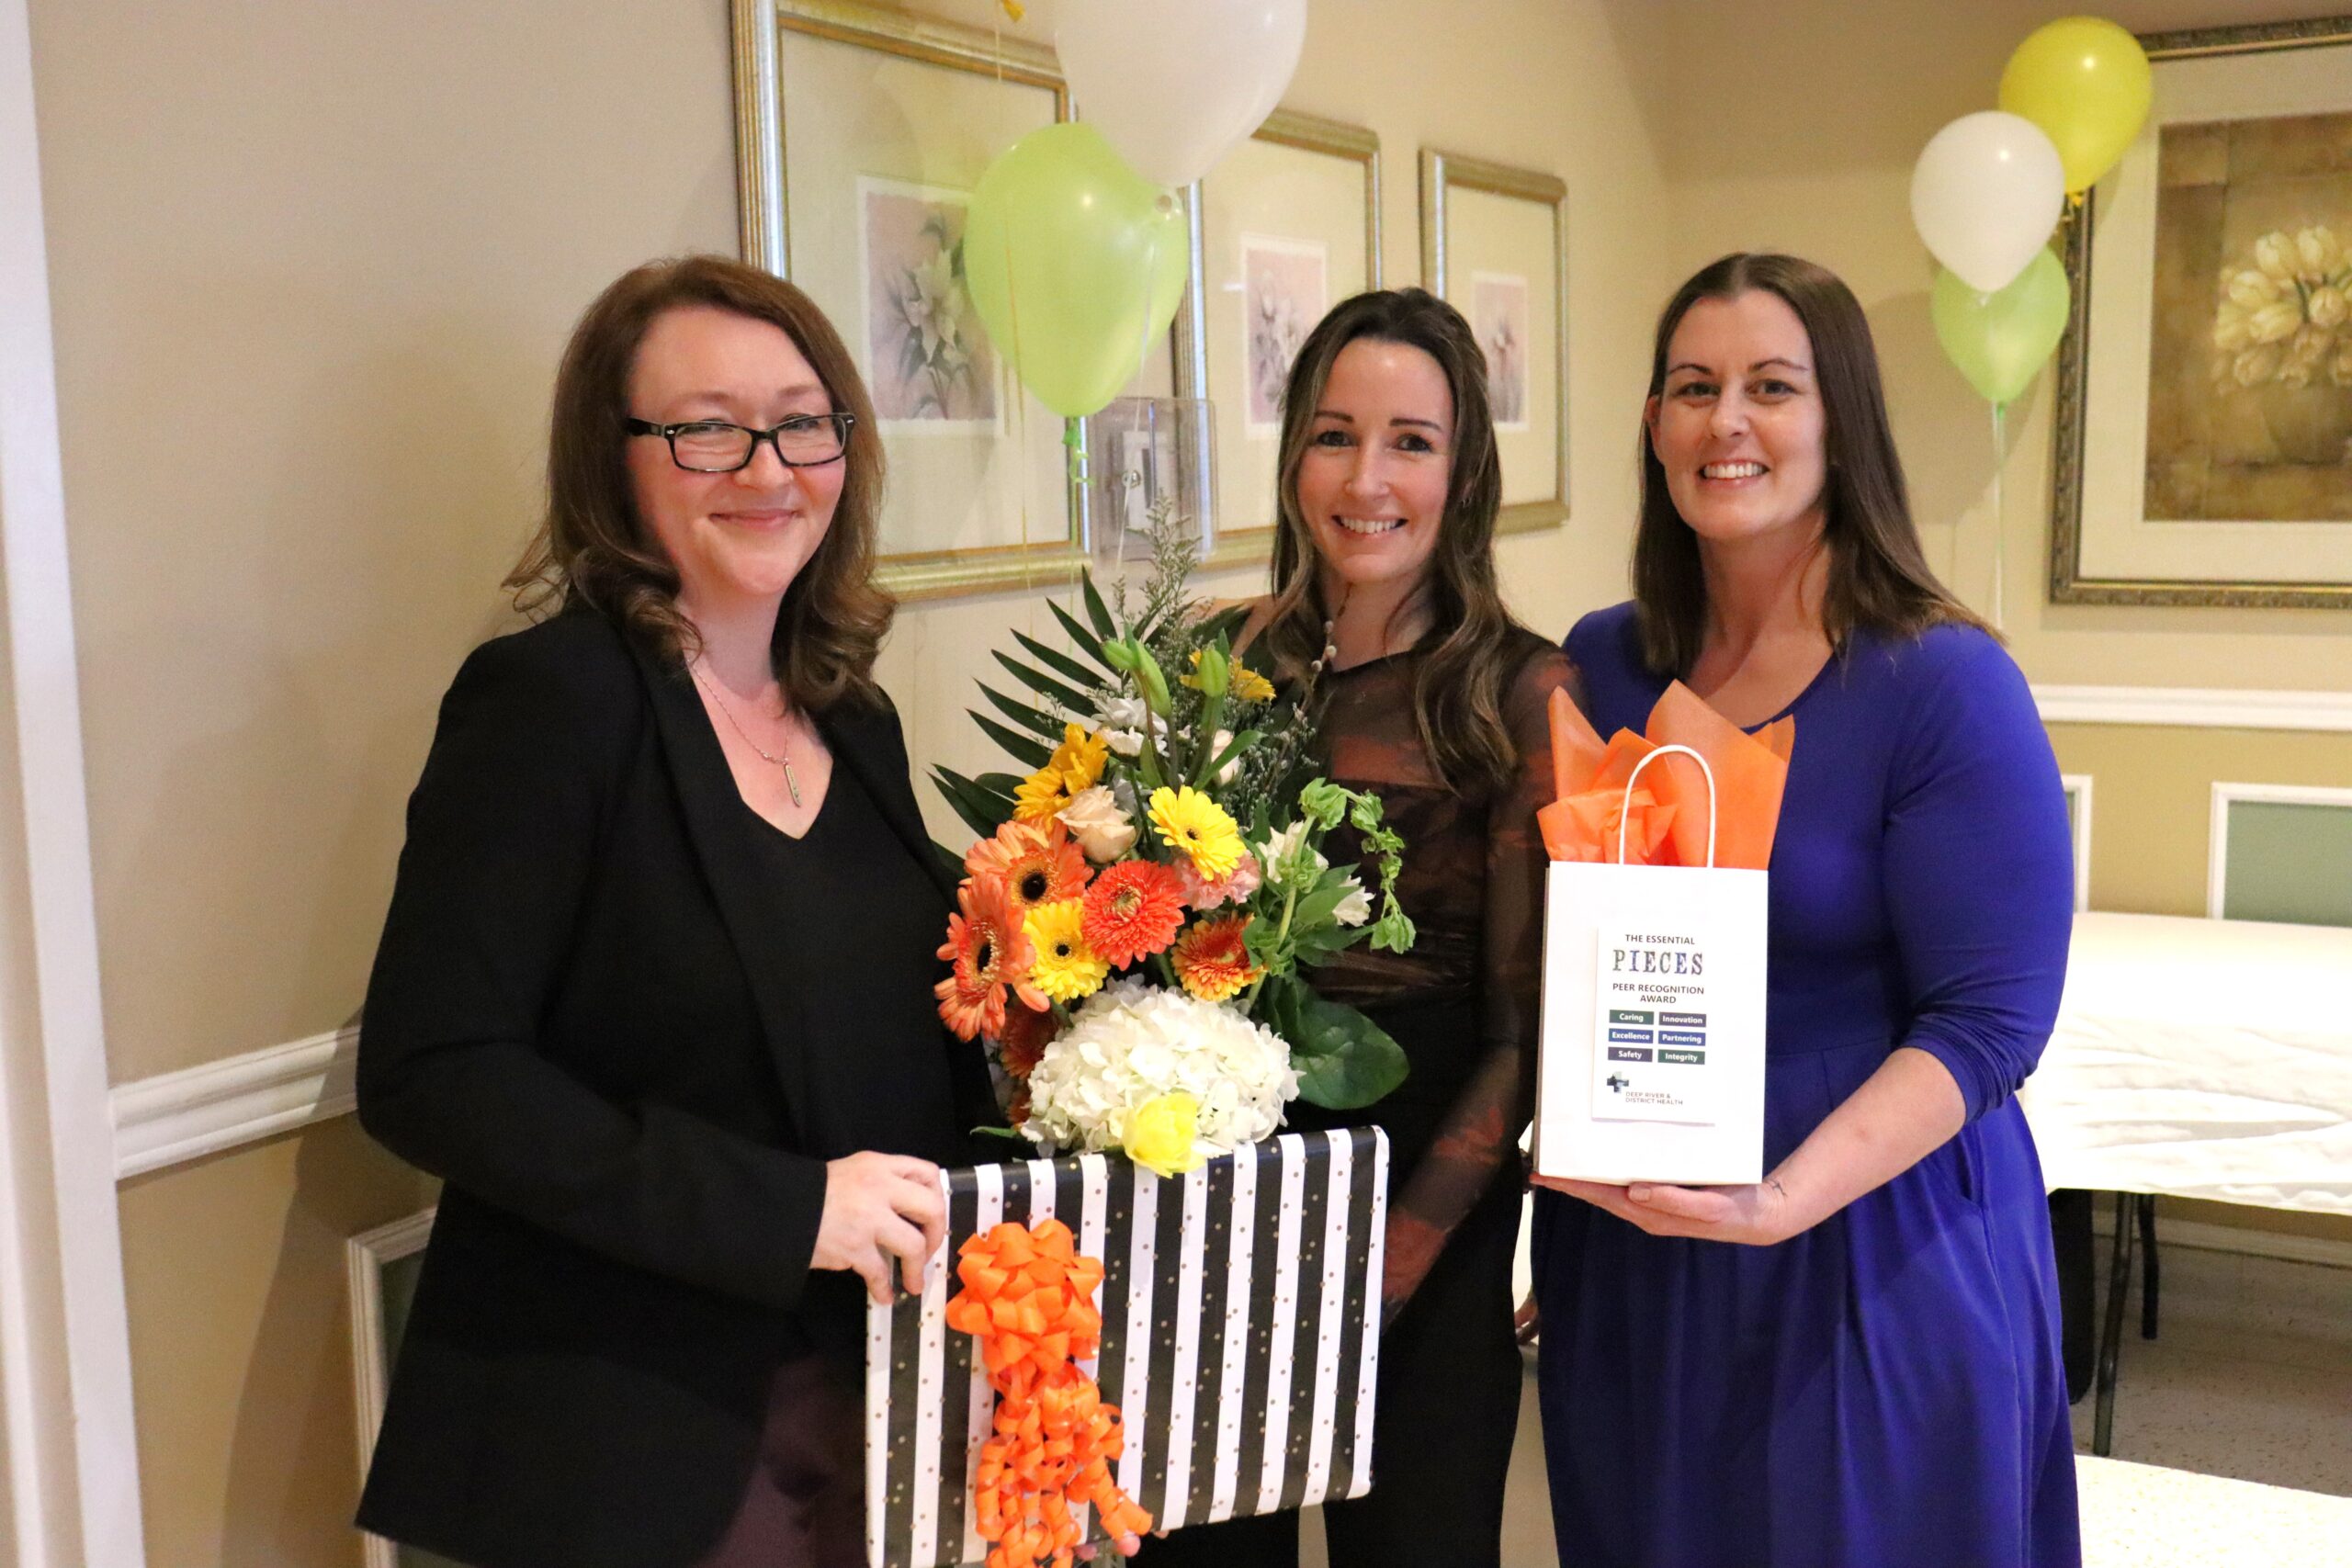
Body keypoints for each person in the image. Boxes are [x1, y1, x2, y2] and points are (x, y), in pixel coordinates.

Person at [353, 255, 1016, 1568]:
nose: (768, 470)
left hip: (878, 1390)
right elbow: (433, 1072)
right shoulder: (552, 705)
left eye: (802, 423)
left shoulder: (852, 717)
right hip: (644, 1428)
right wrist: (786, 1211)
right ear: (615, 464)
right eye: (707, 429)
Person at [1532, 253, 2079, 1567]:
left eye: (1772, 387)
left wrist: (1777, 1202)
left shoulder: (1943, 681)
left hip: (1867, 1236)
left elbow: (1991, 1024)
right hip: (1639, 1241)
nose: (1727, 421)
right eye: (1693, 388)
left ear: (1843, 422)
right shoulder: (1604, 658)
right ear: (1654, 424)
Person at [1147, 288, 1580, 1568]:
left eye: (1411, 442)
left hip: (1426, 1220)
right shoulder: (1213, 661)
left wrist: (1379, 1272)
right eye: (1334, 436)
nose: (1366, 479)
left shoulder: (1522, 692)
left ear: (1465, 473)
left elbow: (1523, 1041)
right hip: (1218, 1209)